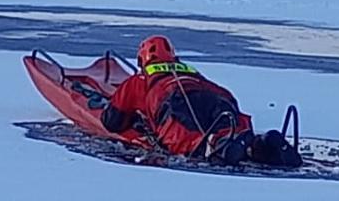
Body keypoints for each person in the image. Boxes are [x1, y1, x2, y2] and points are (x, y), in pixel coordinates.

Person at [102, 35, 300, 167]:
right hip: (218, 95)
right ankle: (261, 145)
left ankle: (217, 146)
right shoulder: (187, 69)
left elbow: (112, 121)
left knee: (186, 140)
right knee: (227, 125)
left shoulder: (140, 80)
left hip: (173, 99)